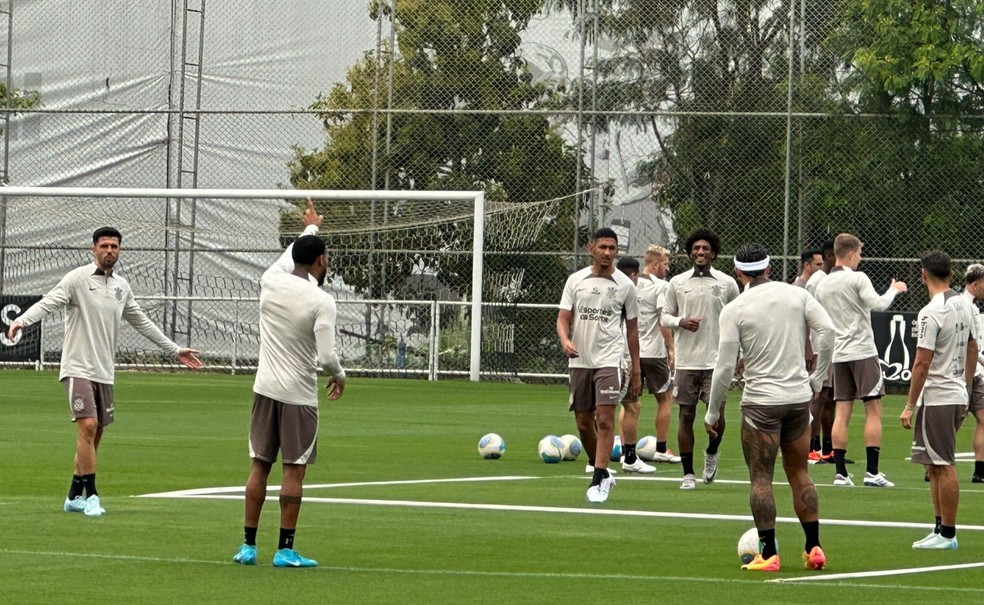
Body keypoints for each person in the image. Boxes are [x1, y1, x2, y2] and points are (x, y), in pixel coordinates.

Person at [6, 226, 203, 517]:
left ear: (119, 250)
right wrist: (22, 320)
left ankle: (74, 495)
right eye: (104, 246)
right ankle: (92, 496)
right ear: (93, 249)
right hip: (77, 367)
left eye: (114, 246)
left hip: (104, 371)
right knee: (86, 428)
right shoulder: (77, 279)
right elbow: (49, 302)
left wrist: (174, 349)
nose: (109, 250)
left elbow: (142, 322)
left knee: (94, 435)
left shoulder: (122, 287)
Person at [705, 243, 833, 571]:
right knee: (799, 473)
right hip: (797, 399)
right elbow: (828, 331)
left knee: (761, 478)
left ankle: (768, 553)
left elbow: (724, 367)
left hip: (761, 403)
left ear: (737, 272)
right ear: (770, 268)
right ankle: (814, 547)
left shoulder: (735, 308)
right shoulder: (797, 295)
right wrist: (816, 379)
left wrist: (713, 411)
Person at [233, 201, 346, 568]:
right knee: (294, 470)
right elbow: (327, 358)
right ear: (321, 262)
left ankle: (248, 546)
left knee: (259, 466)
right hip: (298, 395)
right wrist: (340, 376)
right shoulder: (321, 300)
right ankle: (285, 549)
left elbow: (289, 255)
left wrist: (310, 229)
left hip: (263, 389)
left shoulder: (271, 280)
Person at [814, 233, 906, 487]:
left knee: (842, 410)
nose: (861, 258)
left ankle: (841, 474)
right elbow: (878, 305)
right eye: (860, 253)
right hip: (863, 351)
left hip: (839, 354)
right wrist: (894, 289)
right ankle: (872, 472)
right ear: (852, 254)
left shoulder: (822, 284)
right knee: (873, 409)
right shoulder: (857, 278)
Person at [900, 251, 978, 550]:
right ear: (951, 274)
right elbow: (972, 348)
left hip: (940, 396)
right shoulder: (964, 304)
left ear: (923, 275)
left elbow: (922, 362)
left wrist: (909, 404)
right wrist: (966, 388)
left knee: (943, 464)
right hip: (955, 392)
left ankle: (948, 533)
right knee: (932, 465)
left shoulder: (930, 312)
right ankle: (939, 528)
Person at [557, 227, 641, 503]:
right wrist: (565, 339)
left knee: (604, 419)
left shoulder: (626, 285)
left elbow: (631, 330)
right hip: (580, 360)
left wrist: (636, 368)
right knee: (583, 423)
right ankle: (601, 470)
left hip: (610, 359)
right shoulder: (575, 280)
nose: (607, 253)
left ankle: (598, 478)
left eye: (612, 248)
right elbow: (563, 318)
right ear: (590, 248)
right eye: (602, 247)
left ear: (617, 252)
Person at [664, 228, 739, 489]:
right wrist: (680, 321)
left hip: (716, 360)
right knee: (686, 415)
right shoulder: (677, 282)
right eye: (696, 248)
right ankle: (687, 473)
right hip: (686, 360)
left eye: (705, 248)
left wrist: (738, 354)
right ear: (689, 253)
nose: (700, 252)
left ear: (714, 253)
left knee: (716, 414)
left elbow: (738, 318)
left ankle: (711, 452)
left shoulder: (727, 283)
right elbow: (664, 317)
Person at [637, 244, 681, 463]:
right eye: (665, 264)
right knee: (665, 399)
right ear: (654, 264)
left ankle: (626, 452)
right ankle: (662, 449)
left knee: (629, 403)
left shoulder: (630, 283)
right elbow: (663, 320)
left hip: (631, 352)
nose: (667, 268)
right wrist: (671, 347)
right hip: (653, 352)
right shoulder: (661, 286)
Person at [614, 256, 657, 474]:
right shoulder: (628, 290)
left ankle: (595, 459)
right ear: (635, 275)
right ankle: (629, 458)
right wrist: (634, 365)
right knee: (631, 406)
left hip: (596, 356)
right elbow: (631, 330)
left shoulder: (605, 286)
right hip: (618, 357)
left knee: (604, 408)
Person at [805, 240, 837, 464]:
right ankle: (810, 446)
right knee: (818, 395)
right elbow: (807, 317)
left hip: (833, 347)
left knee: (831, 397)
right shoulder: (816, 281)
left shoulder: (832, 280)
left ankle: (829, 448)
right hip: (820, 346)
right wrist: (811, 349)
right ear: (829, 256)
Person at [959, 264, 984, 483]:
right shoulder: (962, 306)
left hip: (975, 372)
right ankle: (932, 464)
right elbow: (969, 345)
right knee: (955, 421)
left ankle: (979, 470)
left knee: (983, 419)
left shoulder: (972, 307)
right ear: (975, 284)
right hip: (963, 373)